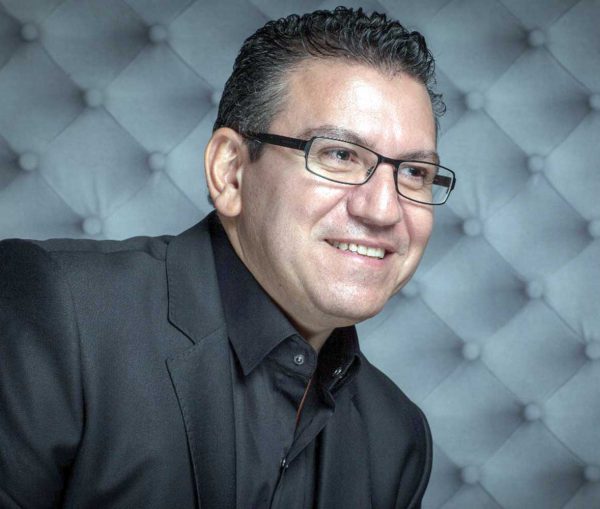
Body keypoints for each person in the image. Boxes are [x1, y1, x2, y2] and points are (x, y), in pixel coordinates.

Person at [0, 7, 455, 509]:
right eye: (340, 155)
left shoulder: (398, 438)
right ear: (231, 171)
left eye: (414, 173)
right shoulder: (57, 314)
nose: (384, 209)